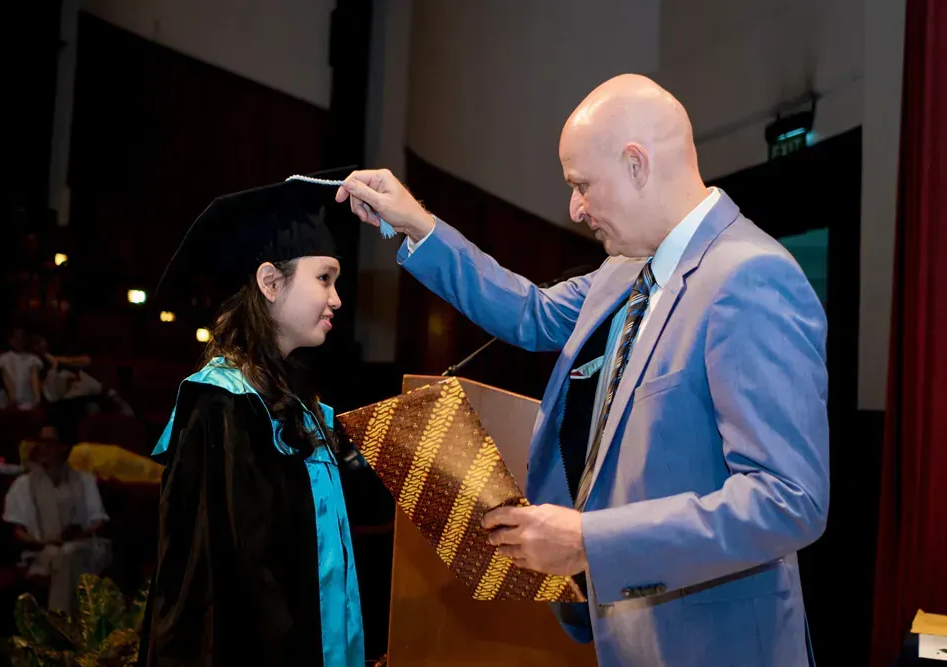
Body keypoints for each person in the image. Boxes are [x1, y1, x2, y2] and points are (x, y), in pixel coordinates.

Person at [337, 74, 828, 667]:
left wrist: (588, 541)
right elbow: (530, 313)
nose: (575, 208)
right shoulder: (625, 271)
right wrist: (417, 222)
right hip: (627, 635)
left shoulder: (749, 277)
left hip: (712, 643)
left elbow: (787, 500)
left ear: (636, 164)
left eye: (581, 185)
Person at [138, 172, 364, 667]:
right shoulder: (220, 403)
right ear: (270, 281)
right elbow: (204, 583)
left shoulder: (300, 402)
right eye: (324, 278)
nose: (336, 299)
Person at [2, 425, 112, 612]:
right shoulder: (23, 484)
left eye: (48, 442)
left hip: (81, 546)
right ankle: (68, 621)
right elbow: (17, 530)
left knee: (67, 552)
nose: (41, 447)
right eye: (40, 442)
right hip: (43, 549)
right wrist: (43, 541)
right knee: (60, 555)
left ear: (62, 446)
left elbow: (98, 521)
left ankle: (57, 622)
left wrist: (79, 532)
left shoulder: (84, 480)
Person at [0, 326, 43, 410]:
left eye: (21, 338)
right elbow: (6, 379)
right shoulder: (3, 359)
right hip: (8, 400)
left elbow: (34, 378)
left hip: (28, 398)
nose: (19, 341)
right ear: (10, 340)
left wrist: (37, 398)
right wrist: (12, 399)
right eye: (16, 338)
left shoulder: (33, 359)